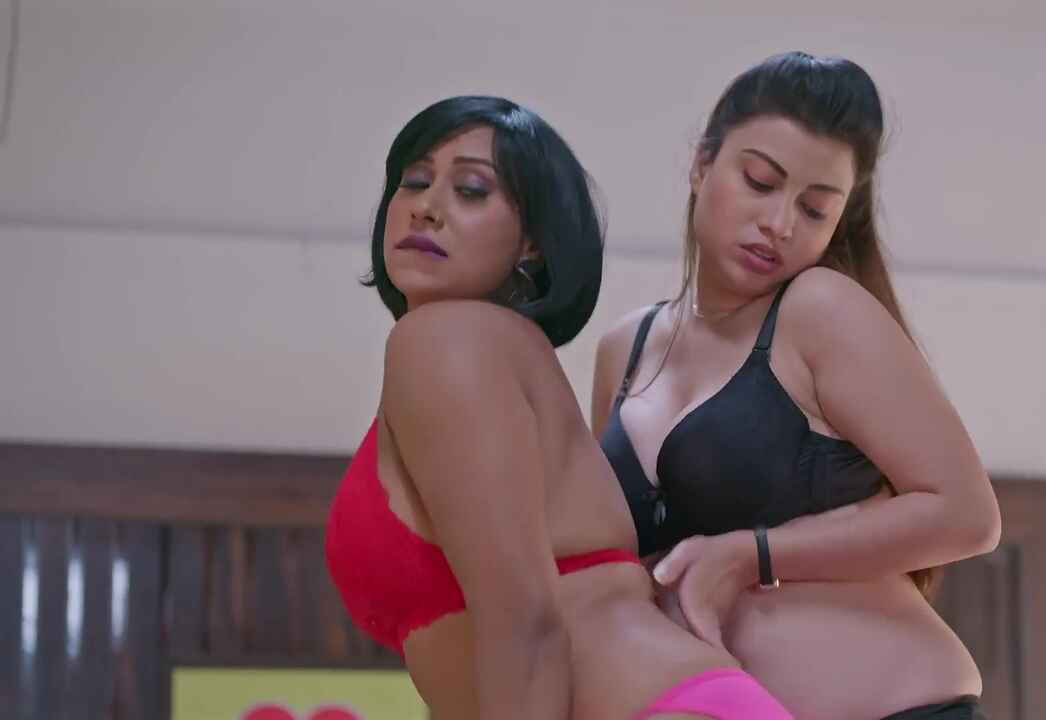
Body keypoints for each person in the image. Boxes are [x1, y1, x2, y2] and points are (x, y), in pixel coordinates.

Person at [324, 95, 793, 719]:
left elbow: (525, 618)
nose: (426, 206)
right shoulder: (487, 351)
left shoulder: (443, 340)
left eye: (471, 190)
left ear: (532, 246)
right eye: (413, 180)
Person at [593, 53, 1001, 720]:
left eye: (814, 210)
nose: (780, 223)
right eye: (760, 182)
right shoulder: (623, 350)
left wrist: (752, 555)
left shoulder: (818, 311)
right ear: (701, 165)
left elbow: (968, 515)